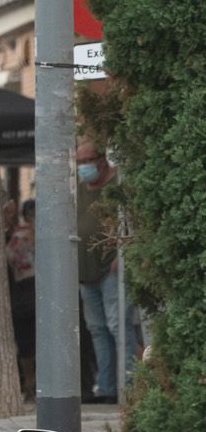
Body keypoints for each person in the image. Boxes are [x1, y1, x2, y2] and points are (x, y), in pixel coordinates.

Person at [75, 138, 136, 401]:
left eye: (86, 161)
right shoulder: (79, 189)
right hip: (85, 272)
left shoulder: (117, 186)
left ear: (101, 160)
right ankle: (108, 387)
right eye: (78, 162)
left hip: (111, 270)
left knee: (117, 325)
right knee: (97, 329)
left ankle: (128, 385)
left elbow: (131, 224)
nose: (82, 167)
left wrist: (121, 256)